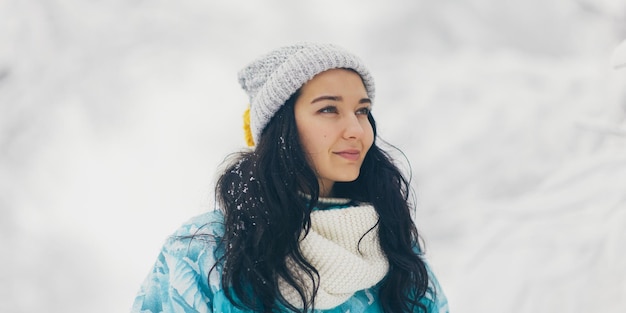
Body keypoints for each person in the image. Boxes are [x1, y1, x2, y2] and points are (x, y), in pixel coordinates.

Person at [131, 42, 449, 313]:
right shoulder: (205, 248)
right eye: (329, 109)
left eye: (362, 111)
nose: (355, 130)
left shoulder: (394, 245)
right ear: (280, 126)